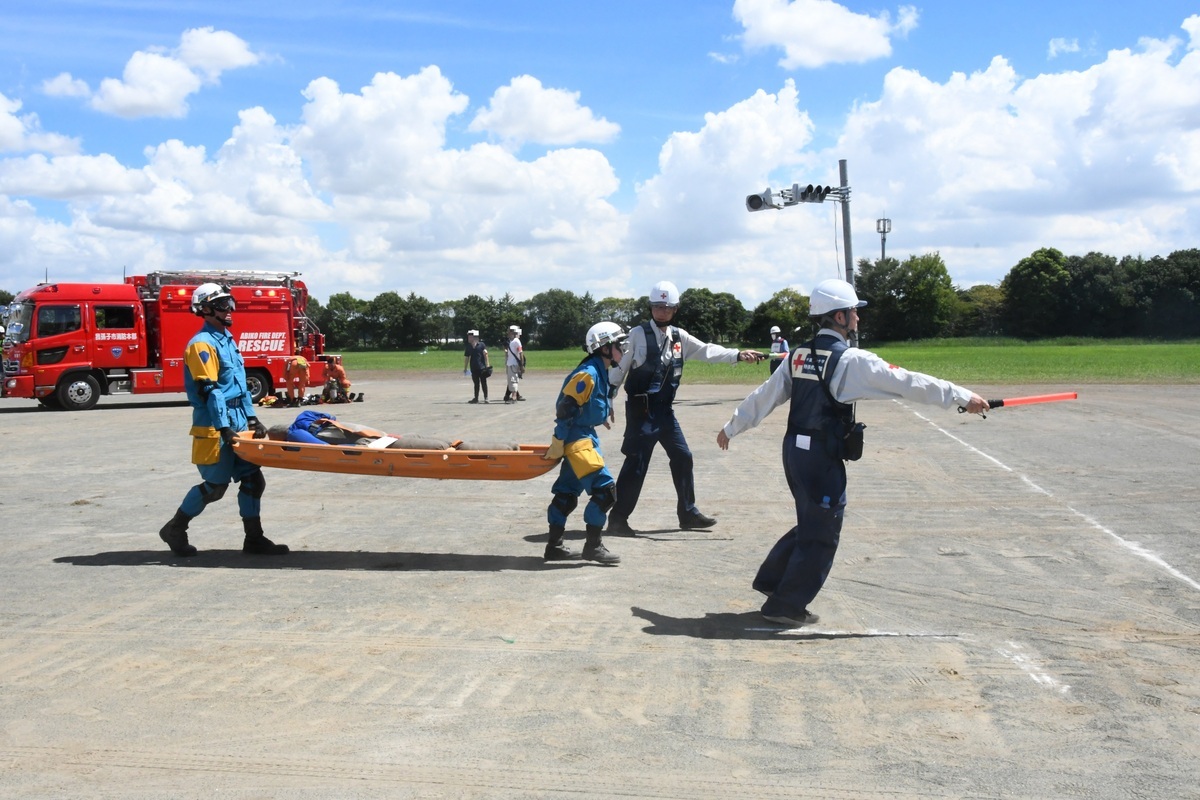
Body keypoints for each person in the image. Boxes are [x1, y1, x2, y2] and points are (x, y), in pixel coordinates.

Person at [716, 278, 989, 626]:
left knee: (811, 521)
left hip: (794, 453)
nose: (858, 319)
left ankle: (773, 581)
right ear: (840, 318)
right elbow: (907, 382)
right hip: (820, 458)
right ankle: (783, 606)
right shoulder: (852, 361)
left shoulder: (798, 354)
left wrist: (732, 426)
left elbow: (766, 395)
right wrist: (961, 396)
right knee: (823, 531)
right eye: (853, 313)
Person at [606, 280, 765, 535]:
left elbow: (707, 351)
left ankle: (687, 513)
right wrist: (607, 399)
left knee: (683, 457)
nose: (662, 312)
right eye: (658, 307)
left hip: (665, 412)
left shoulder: (679, 337)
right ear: (650, 307)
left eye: (667, 307)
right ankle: (618, 519)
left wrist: (737, 354)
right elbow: (619, 370)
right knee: (637, 463)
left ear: (675, 309)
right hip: (641, 411)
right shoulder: (637, 334)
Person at [158, 283, 288, 557]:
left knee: (254, 479)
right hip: (214, 426)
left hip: (238, 422)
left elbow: (240, 385)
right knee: (215, 488)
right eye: (221, 305)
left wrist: (252, 418)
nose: (229, 309)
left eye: (229, 303)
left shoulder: (227, 339)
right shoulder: (201, 345)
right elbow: (211, 391)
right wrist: (224, 427)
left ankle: (254, 539)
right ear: (204, 310)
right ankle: (175, 529)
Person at [542, 322, 627, 565]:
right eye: (618, 344)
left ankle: (554, 547)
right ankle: (593, 546)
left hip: (582, 437)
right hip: (578, 442)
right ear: (604, 348)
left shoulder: (598, 369)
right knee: (606, 491)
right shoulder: (588, 373)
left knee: (567, 495)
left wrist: (600, 414)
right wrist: (559, 440)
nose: (622, 348)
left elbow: (585, 405)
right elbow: (566, 408)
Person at [462, 330, 491, 404]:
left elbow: (486, 355)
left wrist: (487, 365)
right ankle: (476, 398)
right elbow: (467, 358)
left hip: (482, 368)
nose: (468, 338)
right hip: (473, 368)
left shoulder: (481, 345)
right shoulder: (468, 347)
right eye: (468, 336)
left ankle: (486, 398)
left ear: (474, 337)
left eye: (470, 336)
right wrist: (465, 368)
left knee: (484, 383)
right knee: (476, 384)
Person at [503, 325, 526, 404]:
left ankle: (514, 397)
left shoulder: (516, 341)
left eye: (509, 331)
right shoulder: (510, 341)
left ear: (513, 332)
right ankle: (513, 396)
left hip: (514, 364)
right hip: (509, 364)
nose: (508, 333)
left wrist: (521, 366)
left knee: (514, 380)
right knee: (510, 381)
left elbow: (521, 353)